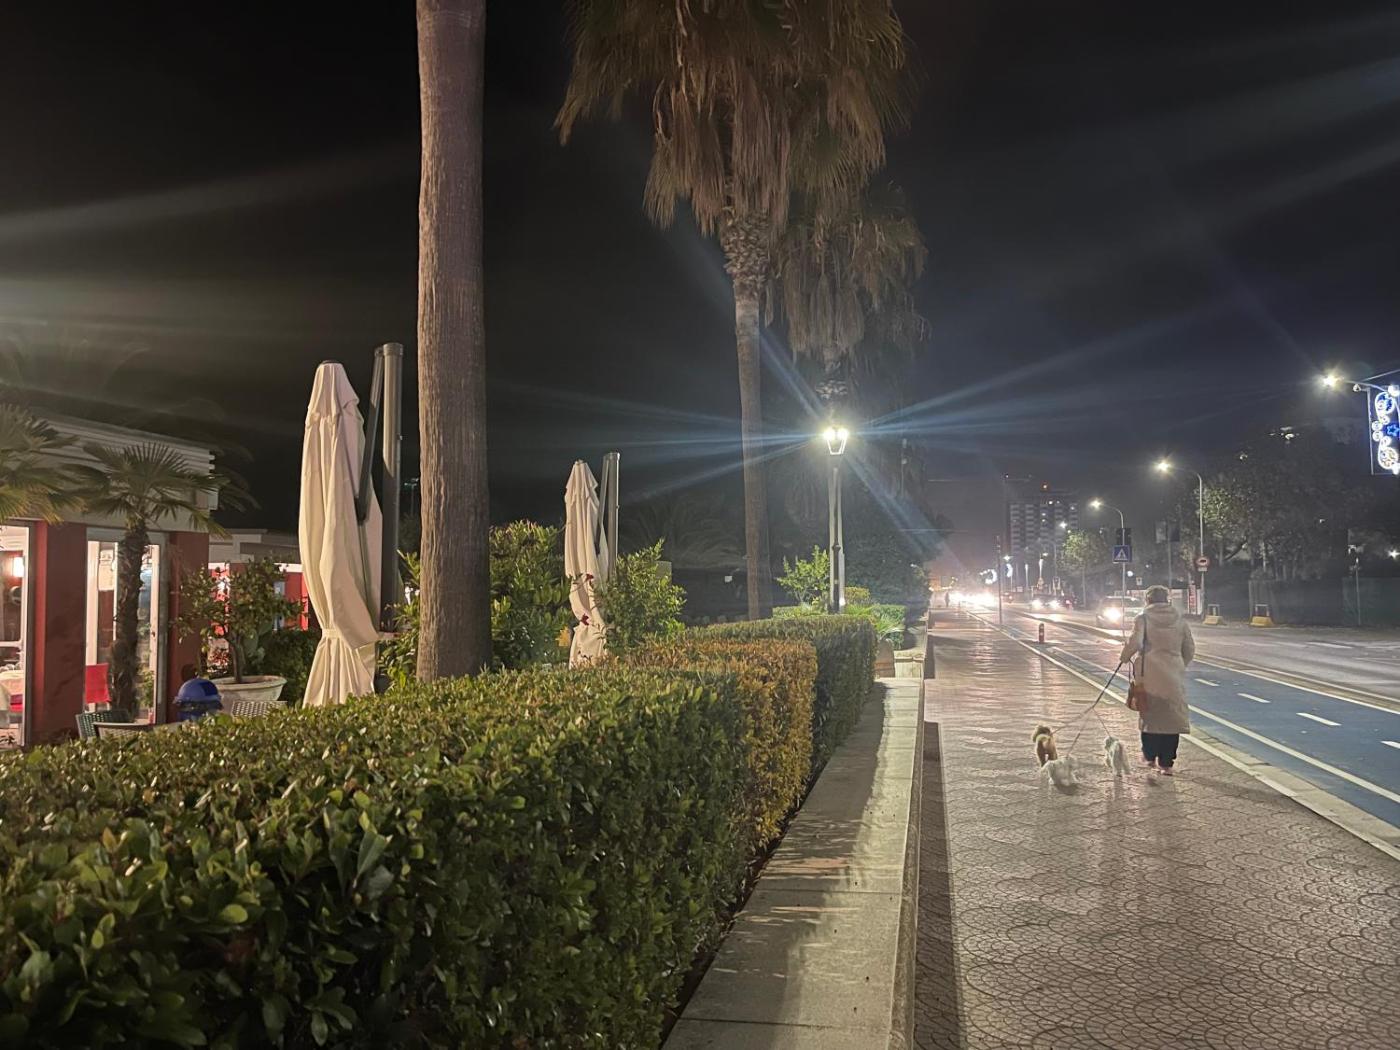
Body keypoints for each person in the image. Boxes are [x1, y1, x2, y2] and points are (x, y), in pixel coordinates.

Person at [1119, 584, 1194, 774]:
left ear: (1148, 600)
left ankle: (1150, 756)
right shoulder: (1180, 620)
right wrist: (1179, 665)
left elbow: (1136, 642)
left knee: (1149, 714)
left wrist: (1125, 657)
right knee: (1171, 717)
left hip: (1149, 674)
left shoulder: (1143, 618)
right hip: (1173, 674)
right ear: (1167, 599)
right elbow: (1189, 649)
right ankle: (1167, 763)